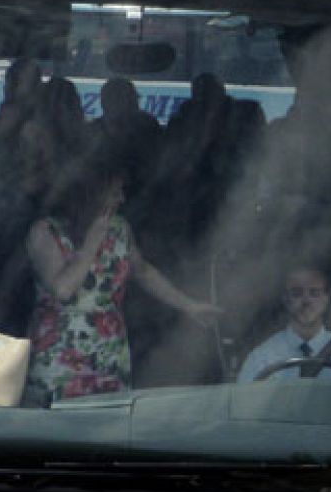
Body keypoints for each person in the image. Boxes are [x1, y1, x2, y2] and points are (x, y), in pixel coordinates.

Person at [25, 146, 221, 402]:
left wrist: (189, 306)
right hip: (61, 358)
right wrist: (91, 245)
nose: (122, 199)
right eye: (115, 192)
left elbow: (143, 270)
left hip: (109, 355)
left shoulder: (119, 228)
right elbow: (63, 289)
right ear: (92, 193)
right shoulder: (45, 232)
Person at [237, 266, 331, 385]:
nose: (306, 300)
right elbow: (243, 408)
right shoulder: (262, 358)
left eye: (314, 293)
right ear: (285, 299)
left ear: (326, 298)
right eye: (297, 293)